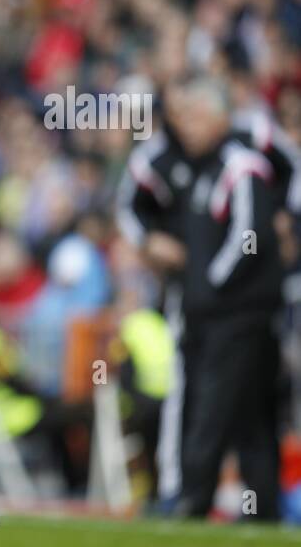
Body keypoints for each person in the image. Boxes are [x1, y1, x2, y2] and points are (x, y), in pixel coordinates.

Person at [118, 79, 301, 520]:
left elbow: (248, 237)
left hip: (237, 313)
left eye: (196, 115)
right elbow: (135, 209)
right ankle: (263, 506)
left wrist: (210, 286)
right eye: (183, 116)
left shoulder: (242, 163)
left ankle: (191, 499)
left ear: (221, 115)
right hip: (216, 311)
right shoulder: (194, 164)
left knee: (213, 404)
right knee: (250, 413)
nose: (187, 126)